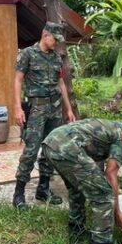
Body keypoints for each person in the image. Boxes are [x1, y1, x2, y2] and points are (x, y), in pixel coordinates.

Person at [42, 108, 122, 244]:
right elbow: (111, 172)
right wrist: (117, 211)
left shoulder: (112, 127)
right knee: (104, 196)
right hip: (68, 148)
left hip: (51, 143)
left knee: (77, 190)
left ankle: (77, 235)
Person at [12, 21, 76, 209]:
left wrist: (68, 109)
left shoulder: (56, 58)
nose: (57, 43)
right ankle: (18, 194)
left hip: (54, 110)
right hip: (36, 110)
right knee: (31, 151)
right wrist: (17, 107)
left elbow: (61, 83)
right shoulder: (27, 54)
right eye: (55, 39)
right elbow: (17, 80)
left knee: (50, 149)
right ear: (46, 35)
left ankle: (43, 189)